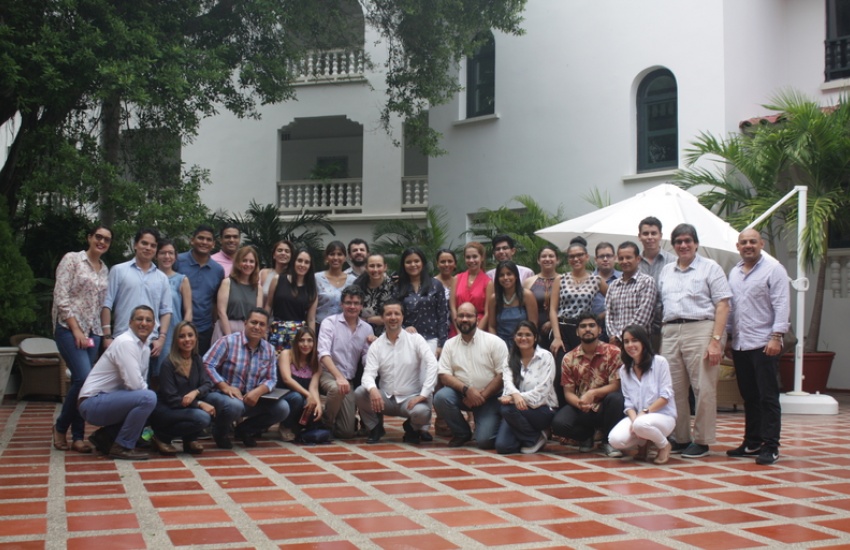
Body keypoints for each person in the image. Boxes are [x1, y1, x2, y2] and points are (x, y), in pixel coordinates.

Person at [658, 223, 731, 459]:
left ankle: (702, 440)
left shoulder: (711, 268)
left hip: (701, 329)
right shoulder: (666, 271)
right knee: (673, 389)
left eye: (687, 240)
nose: (683, 245)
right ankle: (681, 438)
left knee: (704, 388)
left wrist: (716, 341)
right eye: (678, 241)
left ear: (696, 243)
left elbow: (723, 305)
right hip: (670, 331)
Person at [725, 229, 790, 466]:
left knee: (768, 397)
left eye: (753, 241)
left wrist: (776, 336)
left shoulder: (774, 270)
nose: (748, 245)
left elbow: (782, 304)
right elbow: (731, 308)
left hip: (765, 343)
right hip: (741, 344)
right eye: (744, 242)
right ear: (738, 246)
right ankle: (752, 441)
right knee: (749, 396)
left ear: (761, 243)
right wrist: (730, 338)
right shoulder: (734, 272)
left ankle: (771, 445)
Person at [52, 225, 112, 453]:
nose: (102, 242)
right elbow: (60, 296)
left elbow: (102, 304)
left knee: (85, 384)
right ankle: (60, 427)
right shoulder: (72, 260)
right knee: (82, 378)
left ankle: (78, 436)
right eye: (98, 237)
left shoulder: (104, 269)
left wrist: (105, 334)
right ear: (89, 237)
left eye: (107, 239)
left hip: (93, 332)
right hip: (69, 329)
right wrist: (75, 329)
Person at [79, 305, 158, 460]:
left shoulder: (144, 348)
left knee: (147, 399)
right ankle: (123, 446)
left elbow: (139, 384)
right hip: (93, 402)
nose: (144, 323)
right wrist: (149, 399)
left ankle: (105, 437)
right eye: (139, 319)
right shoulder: (126, 343)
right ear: (130, 323)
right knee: (148, 398)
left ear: (153, 325)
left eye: (148, 320)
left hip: (109, 399)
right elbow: (135, 385)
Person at [355, 300, 439, 444]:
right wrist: (373, 390)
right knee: (360, 392)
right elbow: (368, 374)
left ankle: (412, 428)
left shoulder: (415, 340)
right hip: (385, 399)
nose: (393, 317)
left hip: (410, 399)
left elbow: (432, 364)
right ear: (382, 318)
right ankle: (375, 428)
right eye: (388, 314)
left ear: (402, 317)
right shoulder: (377, 345)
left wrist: (423, 394)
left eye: (397, 314)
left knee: (423, 412)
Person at [203, 308, 289, 448]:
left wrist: (259, 391)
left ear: (266, 328)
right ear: (245, 323)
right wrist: (224, 386)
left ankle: (245, 430)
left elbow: (272, 379)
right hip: (222, 396)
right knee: (234, 406)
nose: (257, 327)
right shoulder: (227, 342)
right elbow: (207, 364)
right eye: (253, 322)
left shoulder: (269, 349)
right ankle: (220, 432)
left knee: (282, 408)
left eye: (261, 324)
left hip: (250, 398)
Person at [433, 302, 508, 449]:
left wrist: (482, 396)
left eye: (469, 316)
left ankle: (497, 420)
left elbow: (502, 374)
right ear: (456, 320)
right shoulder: (450, 344)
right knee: (441, 397)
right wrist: (467, 390)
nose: (464, 319)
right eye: (461, 316)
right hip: (462, 395)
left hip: (490, 398)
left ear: (477, 319)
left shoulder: (494, 342)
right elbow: (444, 374)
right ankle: (462, 433)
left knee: (485, 441)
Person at [101, 228, 172, 379]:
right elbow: (107, 304)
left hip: (150, 341)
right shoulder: (119, 271)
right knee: (119, 382)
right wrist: (107, 336)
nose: (148, 248)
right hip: (122, 337)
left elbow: (166, 311)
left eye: (152, 245)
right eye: (144, 243)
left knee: (147, 383)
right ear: (135, 245)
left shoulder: (161, 278)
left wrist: (161, 338)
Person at [550, 313, 624, 457]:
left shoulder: (614, 352)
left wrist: (593, 394)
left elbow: (616, 385)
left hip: (605, 406)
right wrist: (579, 403)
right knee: (558, 424)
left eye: (592, 325)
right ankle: (586, 436)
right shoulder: (569, 357)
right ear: (577, 332)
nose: (587, 329)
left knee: (617, 399)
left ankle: (608, 441)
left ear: (599, 330)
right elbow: (568, 392)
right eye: (583, 326)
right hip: (583, 407)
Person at [609, 325, 677, 464]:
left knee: (641, 424)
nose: (630, 345)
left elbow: (666, 396)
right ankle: (642, 444)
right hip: (640, 419)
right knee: (615, 440)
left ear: (644, 342)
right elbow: (628, 403)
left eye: (634, 340)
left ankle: (664, 445)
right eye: (626, 341)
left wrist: (644, 413)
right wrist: (634, 421)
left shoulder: (659, 362)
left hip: (664, 416)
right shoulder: (624, 370)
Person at [148, 321, 215, 455]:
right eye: (182, 336)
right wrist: (199, 403)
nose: (187, 340)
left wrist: (195, 392)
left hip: (186, 407)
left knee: (211, 410)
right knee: (202, 417)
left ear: (196, 337)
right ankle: (162, 437)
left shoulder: (196, 359)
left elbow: (207, 383)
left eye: (190, 335)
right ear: (176, 340)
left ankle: (189, 440)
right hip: (167, 409)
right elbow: (171, 399)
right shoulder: (168, 363)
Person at [318, 286, 372, 439]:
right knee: (336, 388)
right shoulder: (329, 323)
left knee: (346, 432)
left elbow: (366, 359)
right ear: (341, 304)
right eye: (348, 302)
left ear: (361, 306)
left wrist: (376, 348)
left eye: (356, 303)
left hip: (348, 380)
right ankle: (325, 423)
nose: (352, 306)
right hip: (327, 374)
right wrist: (338, 377)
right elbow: (323, 354)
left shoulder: (367, 329)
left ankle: (332, 416)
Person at [495, 321, 558, 455]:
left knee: (507, 409)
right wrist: (514, 397)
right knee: (503, 447)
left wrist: (516, 397)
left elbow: (543, 390)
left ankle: (531, 439)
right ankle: (534, 437)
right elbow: (508, 383)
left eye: (528, 335)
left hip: (542, 410)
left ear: (535, 337)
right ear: (514, 337)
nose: (523, 338)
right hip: (517, 411)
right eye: (520, 335)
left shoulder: (546, 357)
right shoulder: (510, 358)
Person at [549, 238, 608, 361]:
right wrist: (557, 337)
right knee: (562, 368)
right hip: (562, 329)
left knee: (583, 367)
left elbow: (614, 302)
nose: (576, 259)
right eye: (572, 256)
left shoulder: (596, 280)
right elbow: (553, 310)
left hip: (584, 329)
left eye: (580, 255)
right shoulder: (560, 279)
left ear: (587, 257)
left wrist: (598, 318)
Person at [175, 225, 225, 354]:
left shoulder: (218, 270)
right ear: (192, 240)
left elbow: (215, 301)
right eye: (200, 238)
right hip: (177, 327)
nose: (204, 242)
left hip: (203, 330)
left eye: (208, 240)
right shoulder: (178, 261)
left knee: (199, 367)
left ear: (213, 244)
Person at [276, 326, 324, 442]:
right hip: (283, 396)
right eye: (302, 340)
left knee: (315, 407)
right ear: (296, 342)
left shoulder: (316, 362)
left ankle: (297, 428)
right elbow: (287, 379)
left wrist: (317, 404)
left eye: (309, 340)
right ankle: (285, 426)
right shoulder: (286, 354)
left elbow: (313, 386)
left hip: (304, 397)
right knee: (297, 398)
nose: (305, 344)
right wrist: (308, 395)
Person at [397, 248, 448, 356]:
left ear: (423, 263)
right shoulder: (398, 287)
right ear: (403, 265)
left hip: (431, 339)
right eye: (408, 262)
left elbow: (443, 316)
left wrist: (441, 345)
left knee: (428, 372)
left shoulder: (436, 285)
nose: (413, 264)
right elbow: (394, 314)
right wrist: (404, 328)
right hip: (406, 339)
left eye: (416, 261)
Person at [266, 248, 318, 354]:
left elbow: (311, 319)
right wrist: (264, 328)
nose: (302, 265)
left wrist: (311, 342)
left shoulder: (312, 289)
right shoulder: (278, 279)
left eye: (306, 262)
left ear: (310, 266)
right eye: (299, 260)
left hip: (299, 337)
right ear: (294, 261)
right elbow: (268, 306)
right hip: (277, 332)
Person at [605, 241, 657, 347]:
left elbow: (642, 316)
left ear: (638, 259)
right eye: (621, 258)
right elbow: (608, 315)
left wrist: (621, 338)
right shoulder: (613, 285)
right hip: (615, 345)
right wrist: (614, 336)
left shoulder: (647, 282)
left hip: (638, 343)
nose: (624, 261)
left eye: (628, 257)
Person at [637, 216, 675, 352]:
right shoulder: (633, 263)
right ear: (639, 236)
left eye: (654, 233)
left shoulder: (673, 262)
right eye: (645, 233)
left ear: (660, 236)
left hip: (666, 323)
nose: (649, 237)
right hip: (639, 324)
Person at [155, 239, 193, 374]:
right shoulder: (149, 277)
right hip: (151, 329)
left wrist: (183, 332)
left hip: (173, 332)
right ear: (156, 255)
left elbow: (188, 310)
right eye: (162, 253)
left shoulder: (182, 279)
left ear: (175, 256)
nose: (167, 256)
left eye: (170, 253)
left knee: (167, 370)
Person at [214, 246, 263, 339]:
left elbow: (258, 316)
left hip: (249, 333)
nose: (248, 264)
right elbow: (221, 311)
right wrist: (229, 337)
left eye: (251, 261)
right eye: (244, 260)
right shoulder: (227, 282)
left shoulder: (258, 288)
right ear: (237, 262)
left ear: (256, 264)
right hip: (226, 330)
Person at [487, 261, 538, 345]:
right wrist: (496, 344)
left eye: (509, 274)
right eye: (501, 275)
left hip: (523, 343)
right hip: (500, 343)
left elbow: (533, 324)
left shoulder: (527, 295)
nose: (505, 277)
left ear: (516, 276)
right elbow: (491, 326)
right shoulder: (494, 298)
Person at [524, 245, 561, 351]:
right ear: (538, 260)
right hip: (535, 329)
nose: (547, 259)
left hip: (559, 329)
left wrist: (553, 322)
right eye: (544, 256)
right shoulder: (529, 282)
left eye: (551, 256)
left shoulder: (564, 280)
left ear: (557, 260)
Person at [450, 242, 491, 337]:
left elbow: (487, 312)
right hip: (458, 328)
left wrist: (475, 334)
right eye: (468, 257)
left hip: (479, 328)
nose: (471, 260)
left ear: (482, 257)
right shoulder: (457, 278)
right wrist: (459, 332)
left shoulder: (488, 282)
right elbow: (452, 307)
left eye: (475, 256)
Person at [315, 241, 358, 327]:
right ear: (327, 257)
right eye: (332, 254)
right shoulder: (317, 278)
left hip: (345, 327)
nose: (335, 257)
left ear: (345, 257)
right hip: (320, 326)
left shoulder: (353, 281)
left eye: (339, 254)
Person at [354, 253, 395, 336]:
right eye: (372, 266)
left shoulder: (394, 286)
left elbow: (399, 313)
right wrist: (370, 320)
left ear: (385, 267)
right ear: (366, 268)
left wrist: (367, 319)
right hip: (361, 332)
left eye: (379, 266)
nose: (375, 270)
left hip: (388, 333)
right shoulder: (358, 286)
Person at [591, 242, 620, 342]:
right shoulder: (588, 280)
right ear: (595, 260)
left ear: (615, 258)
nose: (605, 259)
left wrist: (604, 314)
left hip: (618, 328)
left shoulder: (624, 278)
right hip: (593, 328)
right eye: (601, 256)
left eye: (608, 256)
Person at [259, 240, 293, 305]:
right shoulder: (263, 273)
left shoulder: (294, 277)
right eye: (280, 250)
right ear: (274, 255)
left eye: (287, 251)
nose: (283, 253)